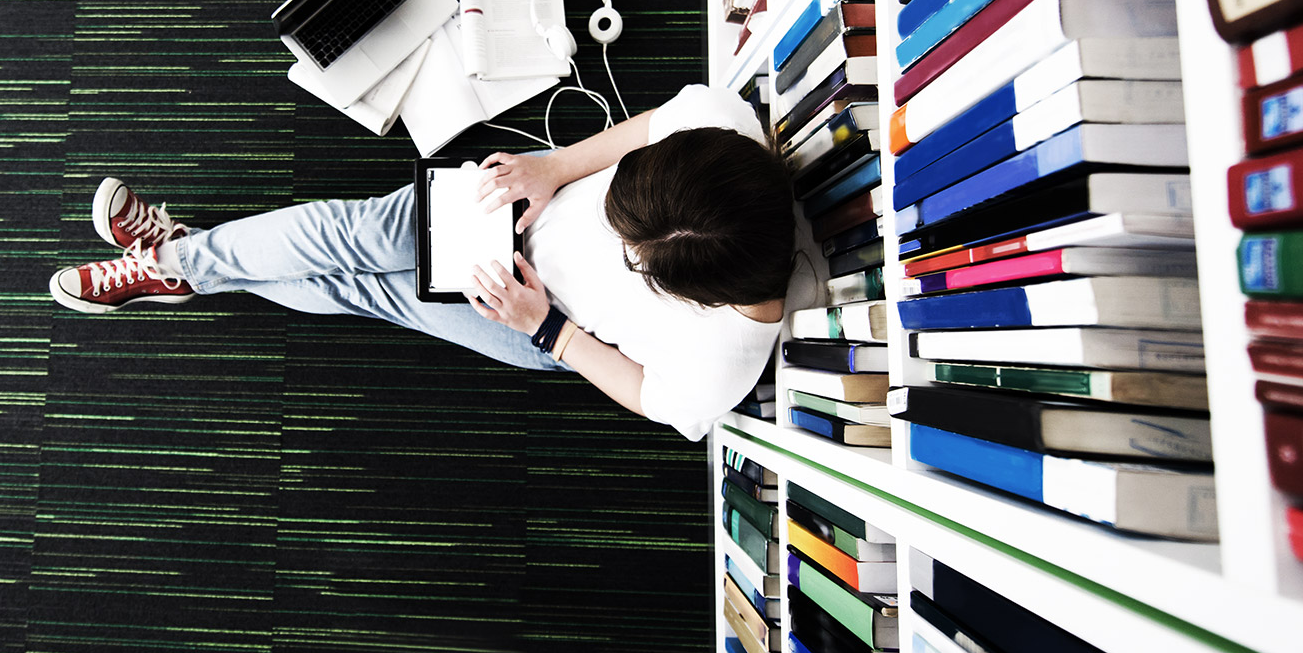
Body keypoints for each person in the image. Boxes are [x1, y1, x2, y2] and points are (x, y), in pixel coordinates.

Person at [48, 84, 796, 440]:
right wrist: (558, 168)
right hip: (522, 203)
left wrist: (549, 333)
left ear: (702, 297)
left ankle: (179, 261)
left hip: (538, 317)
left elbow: (645, 392)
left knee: (362, 289)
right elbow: (649, 129)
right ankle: (181, 260)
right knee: (347, 233)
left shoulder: (723, 367)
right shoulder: (722, 127)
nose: (620, 244)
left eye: (635, 258)